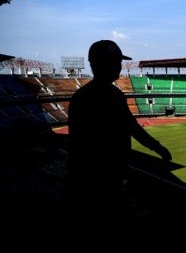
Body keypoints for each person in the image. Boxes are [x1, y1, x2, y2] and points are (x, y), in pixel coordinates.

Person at [67, 40, 172, 221]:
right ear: (102, 64)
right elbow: (132, 128)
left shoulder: (82, 97)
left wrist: (157, 147)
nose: (120, 67)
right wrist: (158, 148)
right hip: (102, 180)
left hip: (95, 178)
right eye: (116, 62)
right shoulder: (112, 96)